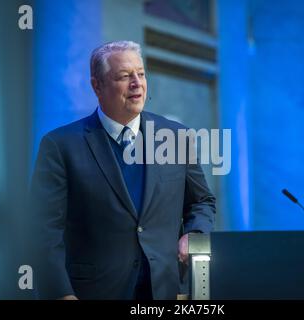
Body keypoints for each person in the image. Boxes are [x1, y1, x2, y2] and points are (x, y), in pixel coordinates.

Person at [30, 40, 215, 300]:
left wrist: (194, 235)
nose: (137, 83)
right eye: (124, 76)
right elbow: (43, 230)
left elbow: (202, 201)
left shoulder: (176, 137)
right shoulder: (60, 145)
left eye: (140, 74)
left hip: (166, 290)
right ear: (97, 85)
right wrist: (61, 293)